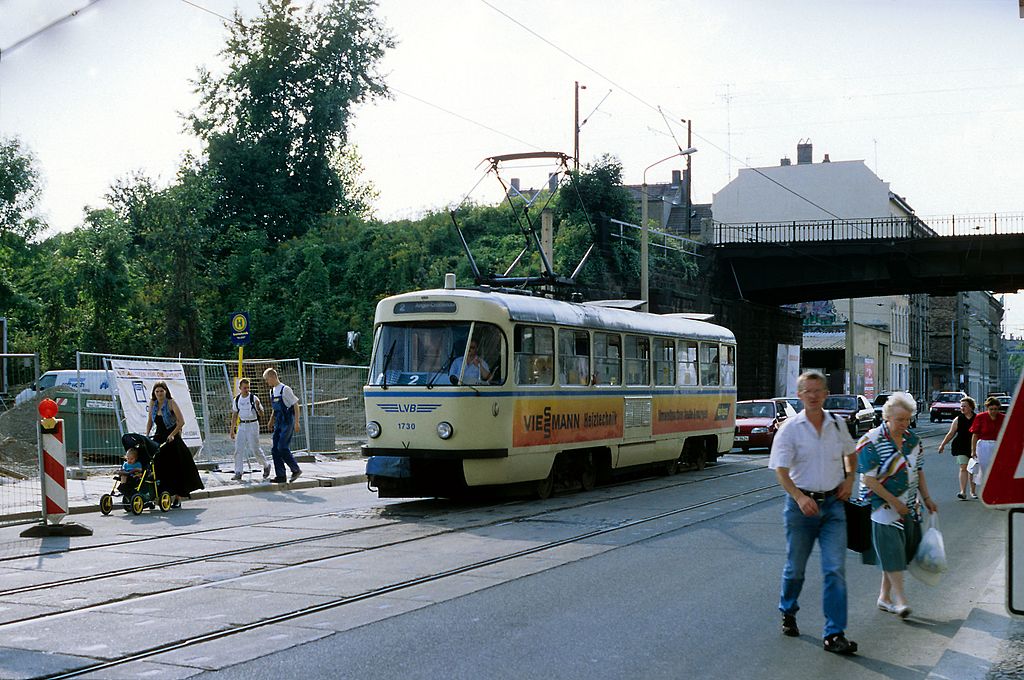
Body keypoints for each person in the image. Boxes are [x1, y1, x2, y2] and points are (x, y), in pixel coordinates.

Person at [769, 370, 859, 655]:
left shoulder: (837, 424)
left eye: (817, 390)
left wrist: (849, 479)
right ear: (799, 395)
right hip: (801, 508)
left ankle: (834, 634)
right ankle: (788, 609)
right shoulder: (790, 429)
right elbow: (781, 471)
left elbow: (851, 454)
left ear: (825, 394)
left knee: (835, 569)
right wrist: (798, 497)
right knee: (796, 567)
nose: (812, 395)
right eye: (807, 391)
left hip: (833, 506)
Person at [858, 392, 938, 619]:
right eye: (899, 419)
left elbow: (918, 471)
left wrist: (927, 498)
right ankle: (901, 600)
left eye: (907, 419)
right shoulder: (871, 441)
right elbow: (868, 480)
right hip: (879, 507)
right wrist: (894, 502)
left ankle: (884, 597)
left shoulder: (913, 441)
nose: (904, 423)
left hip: (909, 506)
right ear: (887, 417)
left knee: (898, 553)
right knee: (892, 550)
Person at [145, 381, 204, 508]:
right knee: (158, 465)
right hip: (160, 436)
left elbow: (181, 421)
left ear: (166, 391)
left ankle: (178, 497)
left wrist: (172, 434)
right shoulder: (153, 404)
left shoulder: (171, 403)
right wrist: (146, 434)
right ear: (154, 393)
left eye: (161, 391)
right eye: (157, 391)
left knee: (176, 466)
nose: (159, 393)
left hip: (172, 437)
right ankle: (159, 494)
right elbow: (150, 420)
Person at [263, 368, 302, 483]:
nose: (266, 382)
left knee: (282, 447)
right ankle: (281, 476)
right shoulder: (272, 391)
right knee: (275, 449)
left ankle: (295, 469)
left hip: (287, 421)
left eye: (267, 379)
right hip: (278, 422)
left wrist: (296, 422)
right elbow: (275, 409)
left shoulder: (285, 389)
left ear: (272, 377)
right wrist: (271, 420)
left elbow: (296, 405)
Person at [937, 396, 978, 499]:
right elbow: (951, 434)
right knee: (963, 468)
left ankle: (973, 492)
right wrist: (942, 445)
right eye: (961, 406)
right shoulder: (958, 419)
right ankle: (963, 492)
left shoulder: (977, 418)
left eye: (965, 406)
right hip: (961, 446)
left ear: (971, 407)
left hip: (974, 447)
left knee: (972, 470)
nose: (962, 408)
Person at [228, 378, 269, 481]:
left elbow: (262, 414)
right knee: (238, 449)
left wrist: (258, 407)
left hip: (253, 424)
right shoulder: (237, 399)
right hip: (242, 425)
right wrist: (232, 429)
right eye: (244, 388)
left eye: (248, 388)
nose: (246, 390)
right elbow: (235, 414)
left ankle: (266, 465)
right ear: (240, 388)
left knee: (255, 448)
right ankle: (238, 472)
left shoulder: (254, 398)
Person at [970, 396, 1006, 488]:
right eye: (991, 409)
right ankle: (986, 487)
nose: (993, 411)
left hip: (998, 445)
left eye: (995, 409)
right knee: (984, 467)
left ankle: (996, 486)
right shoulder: (980, 417)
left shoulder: (1003, 418)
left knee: (997, 468)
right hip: (983, 445)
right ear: (987, 408)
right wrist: (973, 450)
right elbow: (975, 435)